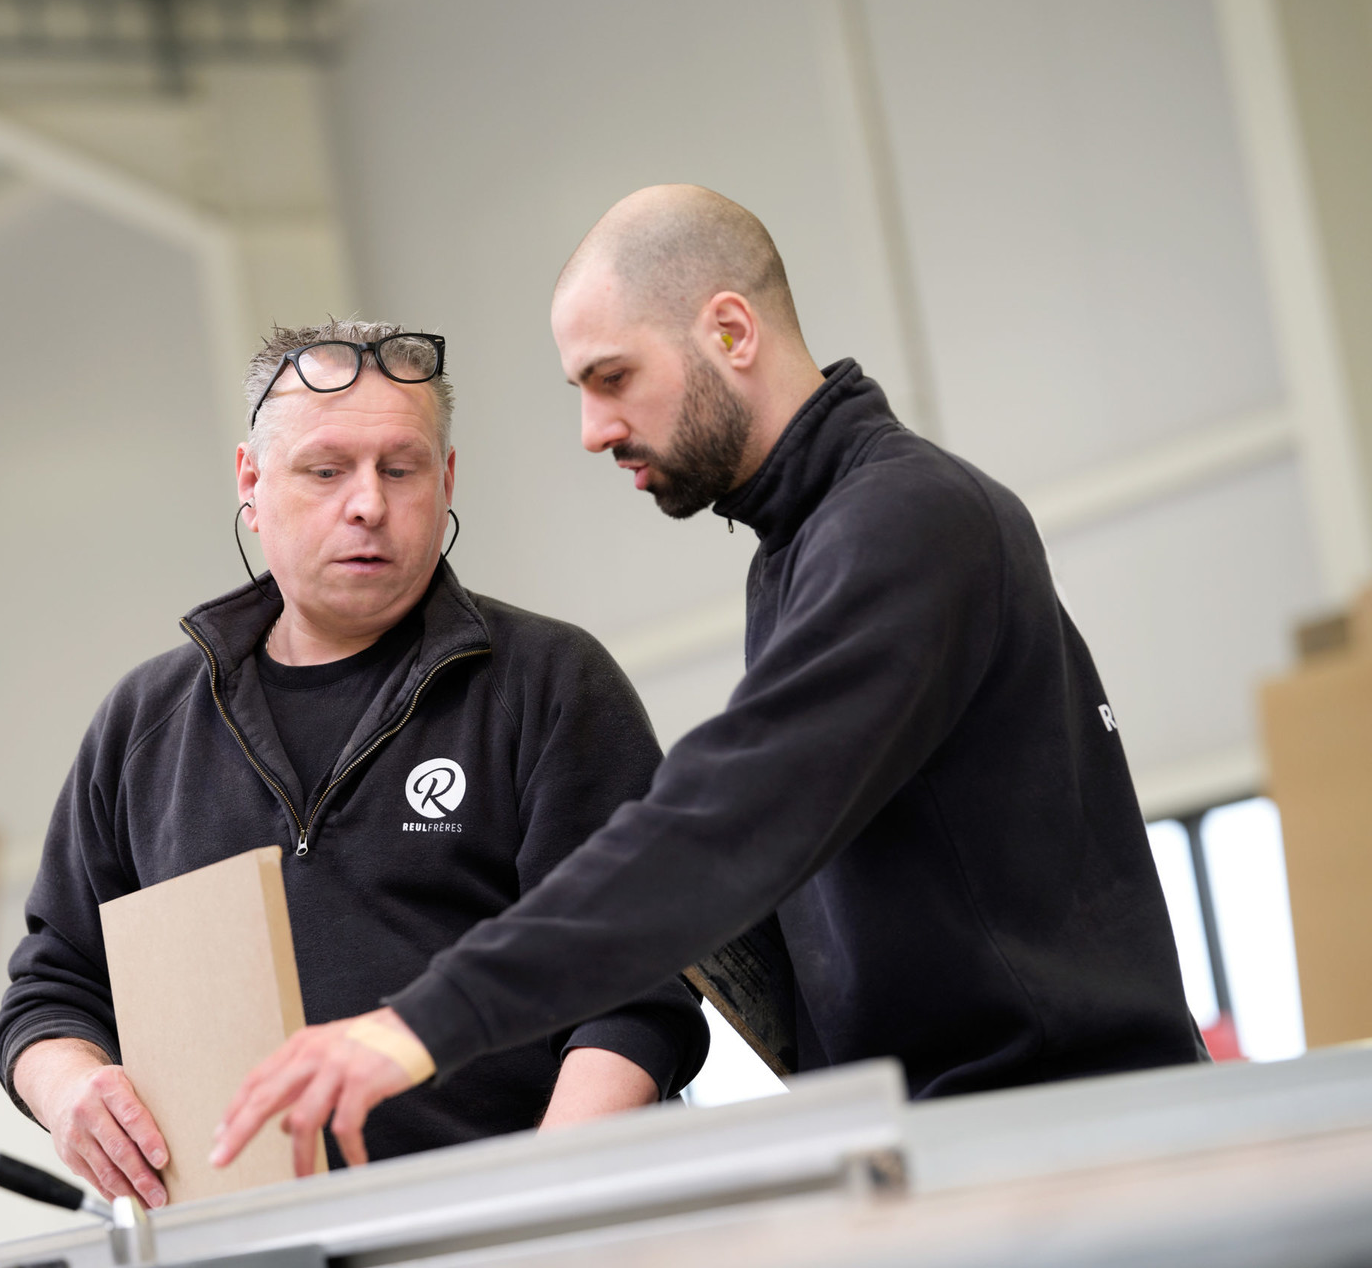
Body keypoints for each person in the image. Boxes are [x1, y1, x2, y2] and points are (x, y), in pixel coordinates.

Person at [212, 186, 1206, 1176]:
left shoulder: (908, 523)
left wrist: (414, 1028)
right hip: (952, 1149)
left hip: (1063, 1149)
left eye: (612, 378)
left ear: (729, 330)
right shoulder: (801, 552)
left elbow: (725, 826)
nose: (595, 430)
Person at [0, 319, 707, 1205]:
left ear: (444, 481)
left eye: (399, 469)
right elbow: (52, 987)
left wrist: (539, 1205)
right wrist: (71, 1093)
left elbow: (636, 985)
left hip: (513, 1230)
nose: (367, 503)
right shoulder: (147, 725)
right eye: (326, 471)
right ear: (252, 484)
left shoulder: (548, 685)